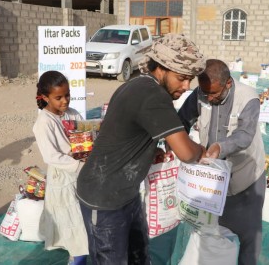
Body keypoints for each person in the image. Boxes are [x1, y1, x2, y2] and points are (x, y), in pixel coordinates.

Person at [77, 33, 206, 265]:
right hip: (104, 197)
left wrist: (147, 148)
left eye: (190, 80)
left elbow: (123, 132)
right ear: (162, 68)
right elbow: (186, 152)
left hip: (126, 193)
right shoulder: (153, 95)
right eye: (181, 78)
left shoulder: (137, 83)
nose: (186, 87)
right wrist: (205, 151)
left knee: (138, 255)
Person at [178, 59, 266, 265]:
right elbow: (181, 120)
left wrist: (220, 147)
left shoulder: (248, 98)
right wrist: (179, 144)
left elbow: (244, 135)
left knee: (248, 234)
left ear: (228, 84)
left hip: (245, 176)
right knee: (213, 229)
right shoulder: (201, 93)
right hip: (212, 177)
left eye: (214, 94)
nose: (208, 97)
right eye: (205, 93)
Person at [32, 71, 88, 265]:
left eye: (67, 95)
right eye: (58, 97)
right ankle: (77, 260)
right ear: (45, 97)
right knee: (76, 229)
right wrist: (80, 165)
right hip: (63, 179)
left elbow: (86, 134)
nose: (65, 101)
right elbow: (52, 156)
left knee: (83, 225)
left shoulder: (72, 114)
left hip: (81, 176)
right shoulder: (44, 123)